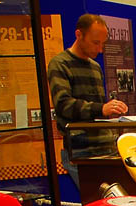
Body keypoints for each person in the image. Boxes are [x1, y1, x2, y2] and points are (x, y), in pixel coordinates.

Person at [47, 14, 127, 186]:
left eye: (103, 43)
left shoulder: (95, 67)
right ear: (79, 35)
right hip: (80, 150)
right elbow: (63, 105)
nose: (100, 49)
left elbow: (98, 110)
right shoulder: (60, 64)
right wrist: (101, 108)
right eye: (95, 43)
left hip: (105, 148)